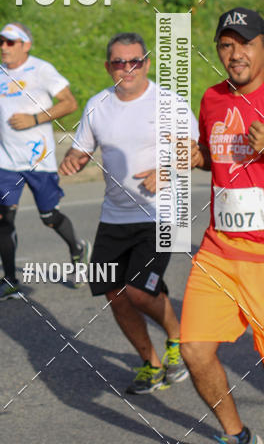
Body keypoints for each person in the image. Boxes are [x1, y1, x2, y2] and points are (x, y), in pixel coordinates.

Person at [59, 32, 198, 394]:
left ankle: (176, 339)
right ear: (108, 67)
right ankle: (151, 363)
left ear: (147, 64)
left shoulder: (169, 103)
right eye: (119, 62)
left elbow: (194, 152)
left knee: (140, 292)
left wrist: (165, 171)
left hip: (163, 214)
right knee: (113, 291)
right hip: (115, 216)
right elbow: (81, 150)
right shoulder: (97, 105)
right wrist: (74, 159)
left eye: (135, 61)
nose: (127, 68)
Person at [181, 7, 264, 444]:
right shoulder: (211, 98)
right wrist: (197, 158)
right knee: (194, 349)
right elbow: (218, 158)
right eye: (226, 45)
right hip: (217, 250)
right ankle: (237, 438)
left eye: (245, 43)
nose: (235, 54)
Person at [0, 22, 88, 301]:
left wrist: (34, 119)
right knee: (3, 217)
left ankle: (78, 247)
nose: (3, 47)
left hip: (39, 159)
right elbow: (1, 102)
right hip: (9, 159)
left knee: (49, 217)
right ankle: (11, 281)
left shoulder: (41, 69)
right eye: (1, 41)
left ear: (26, 45)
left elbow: (69, 102)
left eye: (10, 42)